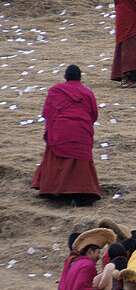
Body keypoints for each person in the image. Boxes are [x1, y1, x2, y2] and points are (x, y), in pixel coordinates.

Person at [32, 65, 101, 202]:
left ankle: (52, 189)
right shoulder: (87, 93)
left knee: (56, 155)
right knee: (80, 160)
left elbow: (47, 112)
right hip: (81, 131)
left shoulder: (55, 91)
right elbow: (94, 115)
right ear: (80, 77)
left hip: (60, 130)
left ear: (65, 77)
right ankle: (81, 191)